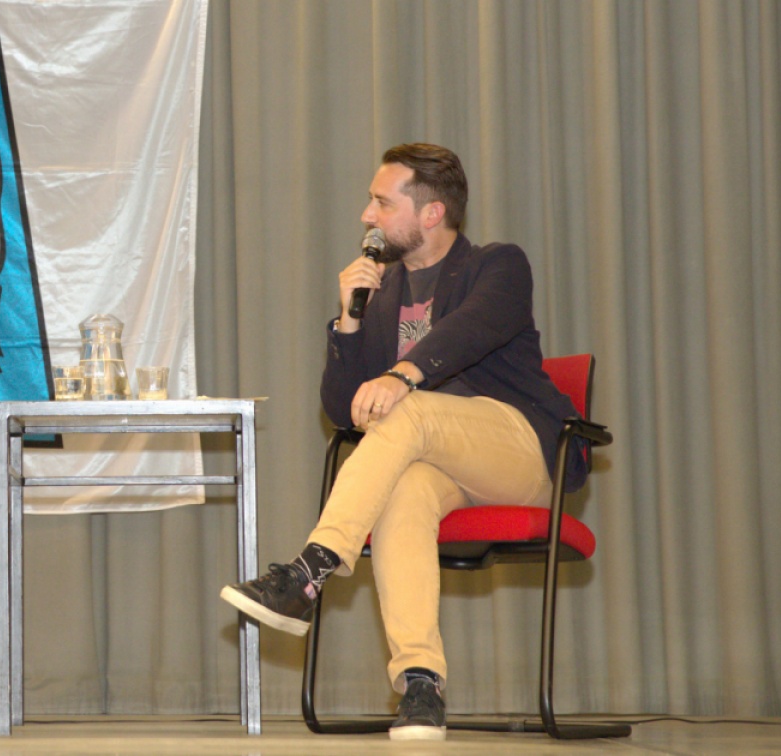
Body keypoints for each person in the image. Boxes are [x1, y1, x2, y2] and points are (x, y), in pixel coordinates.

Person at [220, 143, 586, 741]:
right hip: (438, 466)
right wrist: (349, 321)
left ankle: (311, 570)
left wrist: (402, 375)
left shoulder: (497, 265)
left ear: (432, 213)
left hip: (520, 453)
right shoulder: (384, 292)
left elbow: (469, 331)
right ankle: (421, 684)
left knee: (406, 410)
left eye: (382, 203)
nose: (367, 215)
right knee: (403, 494)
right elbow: (344, 410)